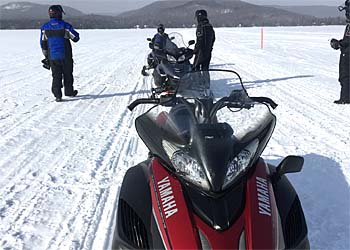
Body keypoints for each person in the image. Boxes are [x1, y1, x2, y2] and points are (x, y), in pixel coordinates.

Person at [40, 5, 80, 102]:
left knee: (56, 75)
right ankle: (69, 92)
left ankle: (58, 95)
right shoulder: (65, 26)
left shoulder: (44, 27)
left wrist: (46, 56)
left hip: (52, 56)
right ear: (60, 13)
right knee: (67, 74)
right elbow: (76, 38)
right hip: (65, 55)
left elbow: (43, 44)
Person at [330, 0, 350, 104]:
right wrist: (339, 43)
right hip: (346, 51)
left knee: (345, 75)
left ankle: (346, 98)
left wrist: (340, 44)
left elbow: (348, 40)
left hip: (347, 54)